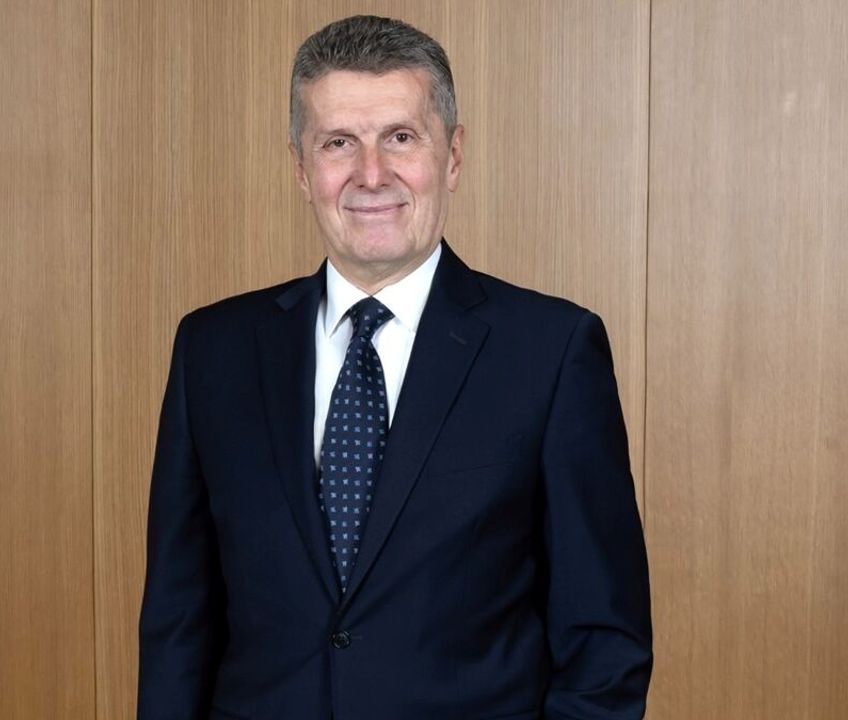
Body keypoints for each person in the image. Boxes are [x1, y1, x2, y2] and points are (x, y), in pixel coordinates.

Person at [137, 15, 652, 720]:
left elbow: (604, 640)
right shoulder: (213, 351)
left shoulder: (552, 351)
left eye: (401, 138)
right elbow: (177, 621)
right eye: (338, 143)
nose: (371, 174)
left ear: (453, 156)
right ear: (301, 168)